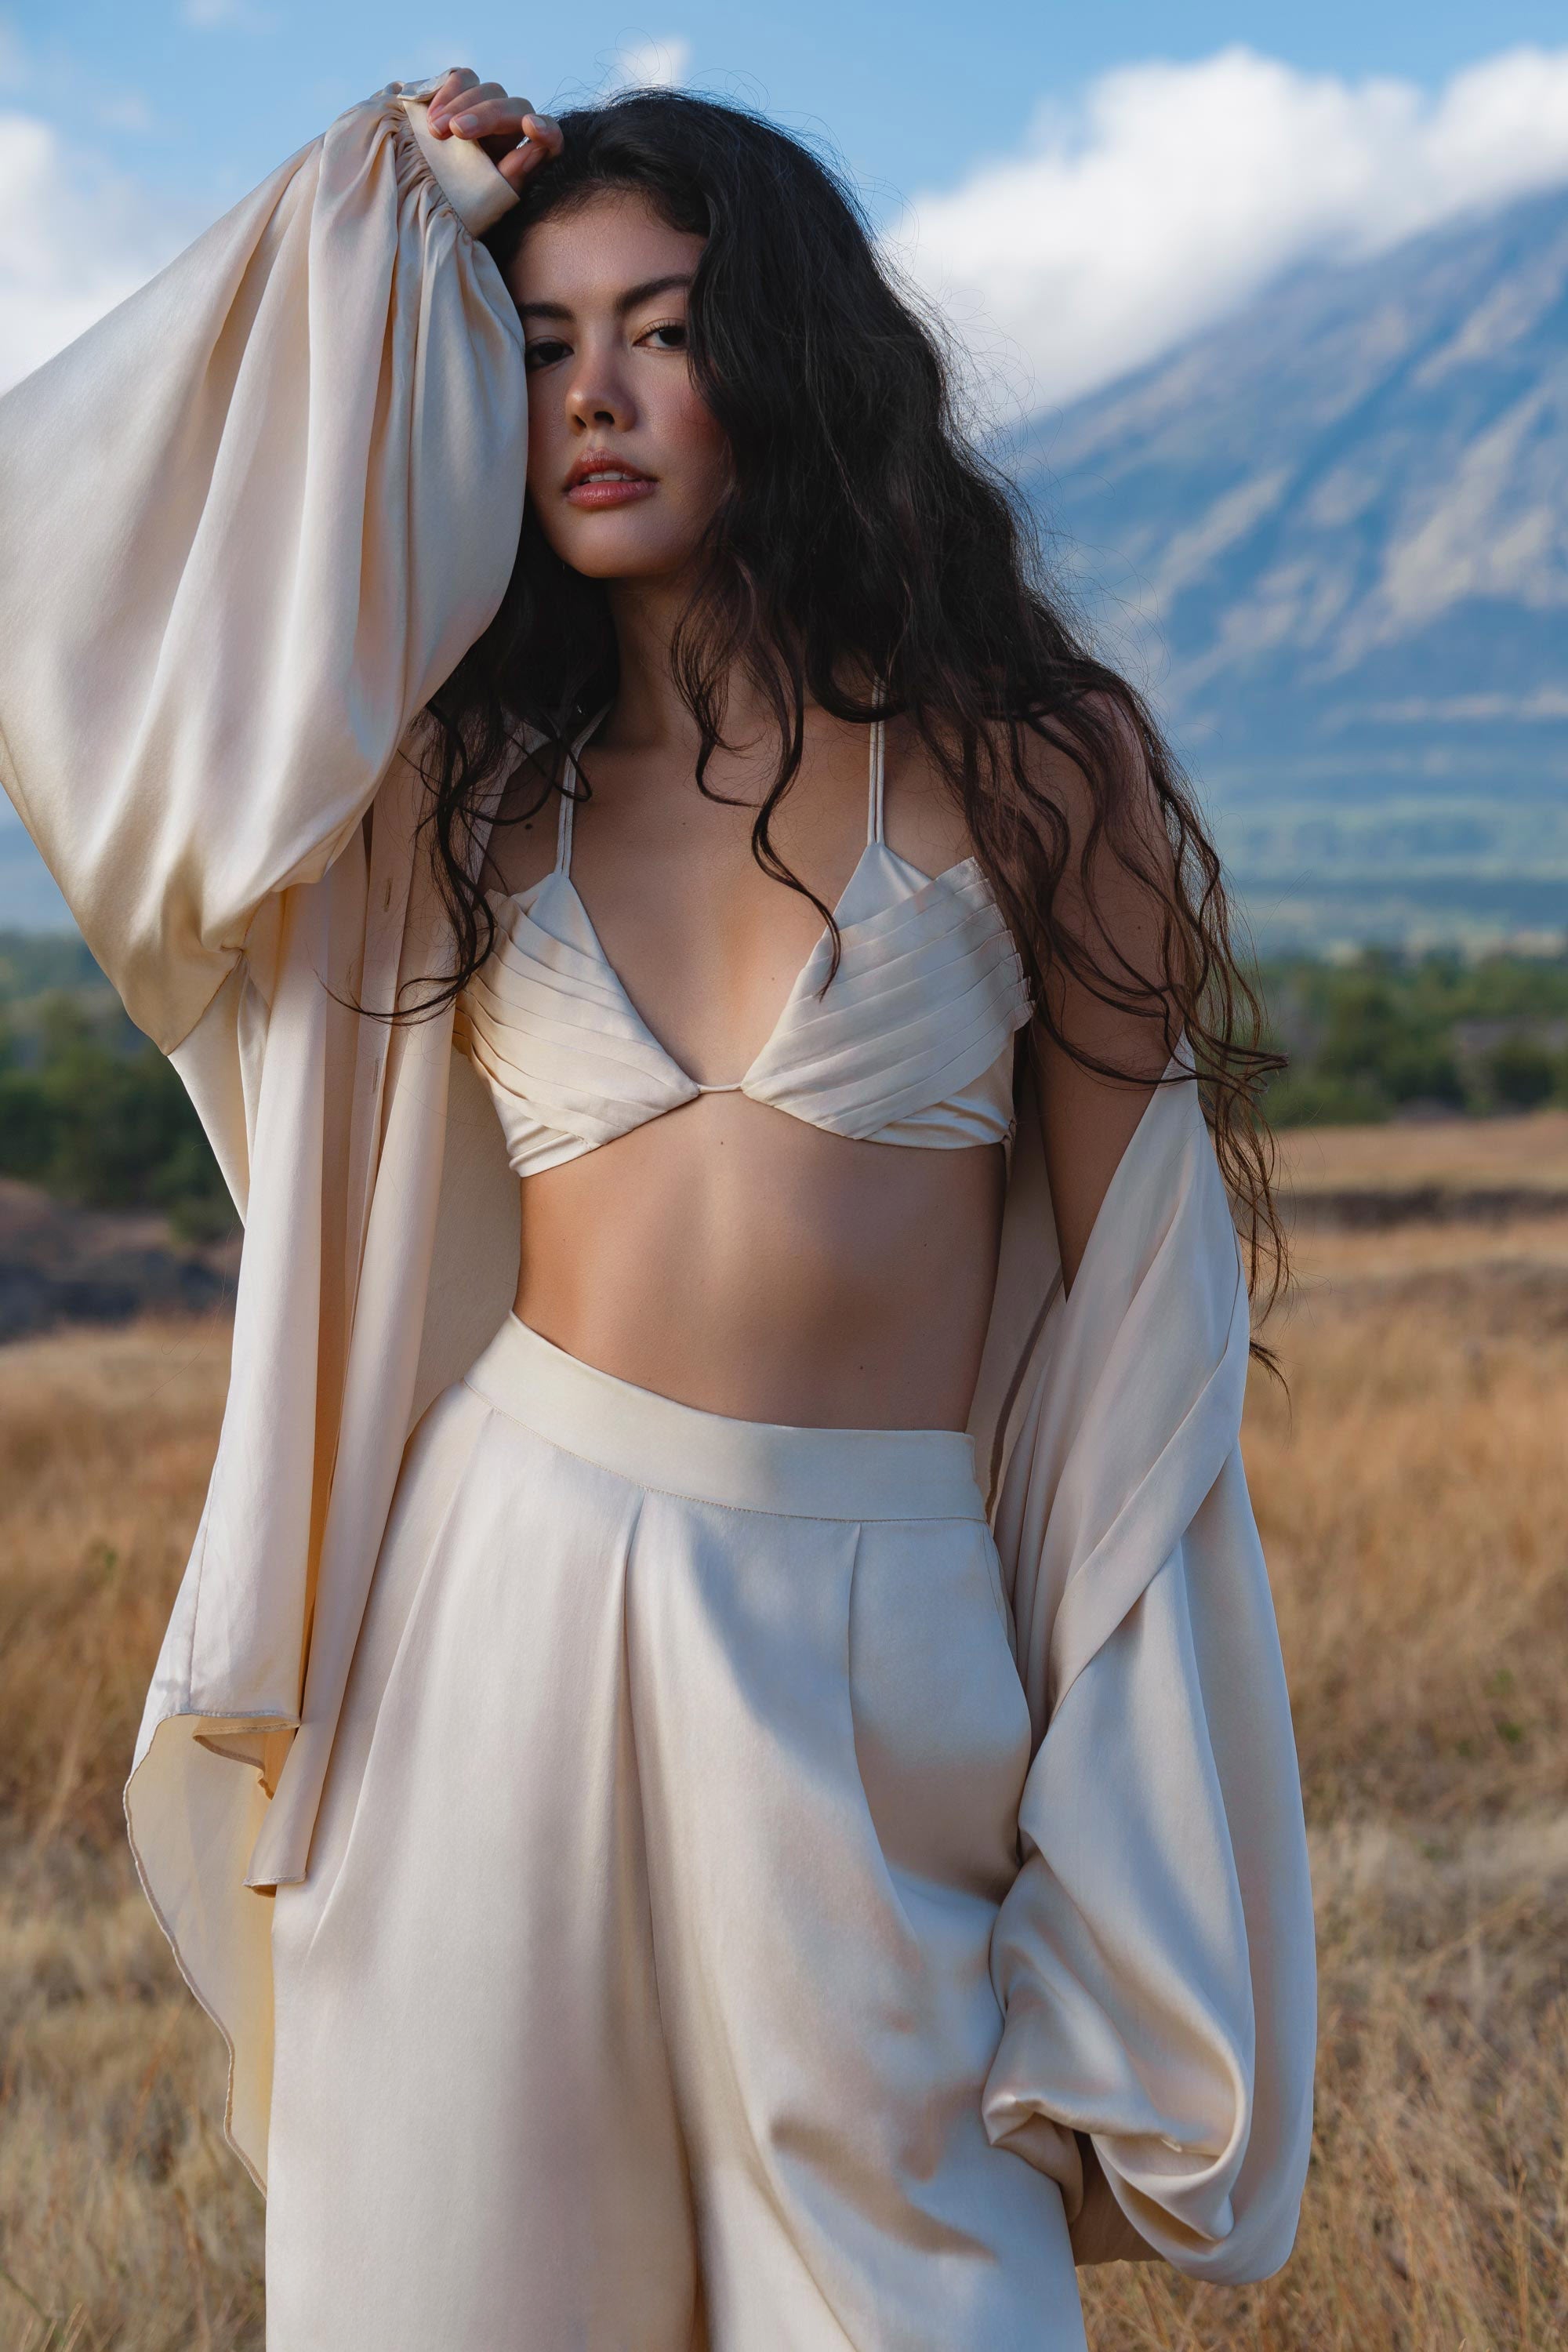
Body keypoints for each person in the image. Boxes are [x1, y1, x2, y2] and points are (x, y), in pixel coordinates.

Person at [0, 61, 1316, 2350]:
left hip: (875, 1659)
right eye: (536, 343)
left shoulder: (1028, 761)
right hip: (490, 1616)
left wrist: (1116, 1809)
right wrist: (382, 216)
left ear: (783, 364)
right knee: (456, 2297)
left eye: (666, 327)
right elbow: (87, 607)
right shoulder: (455, 796)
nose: (594, 396)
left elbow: (1137, 1334)